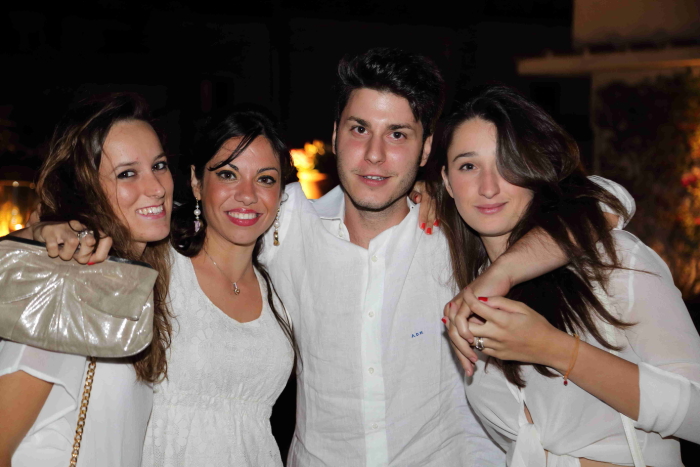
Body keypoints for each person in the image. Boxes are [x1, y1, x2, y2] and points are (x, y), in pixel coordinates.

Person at [261, 48, 635, 466]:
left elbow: (609, 200)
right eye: (359, 129)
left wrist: (502, 272)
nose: (374, 154)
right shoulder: (286, 225)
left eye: (398, 134)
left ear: (425, 150)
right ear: (335, 135)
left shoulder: (460, 229)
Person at [436, 85, 700, 466]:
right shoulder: (465, 296)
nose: (488, 187)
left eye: (508, 163)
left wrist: (554, 349)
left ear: (534, 168)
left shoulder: (613, 262)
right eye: (468, 166)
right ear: (447, 182)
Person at [0, 93, 174, 467]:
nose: (157, 187)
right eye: (127, 173)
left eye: (159, 165)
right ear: (83, 188)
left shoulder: (129, 285)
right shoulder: (67, 288)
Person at [140, 107, 298, 466]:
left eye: (265, 179)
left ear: (281, 193)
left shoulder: (282, 286)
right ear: (197, 182)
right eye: (228, 174)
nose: (247, 195)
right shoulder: (158, 265)